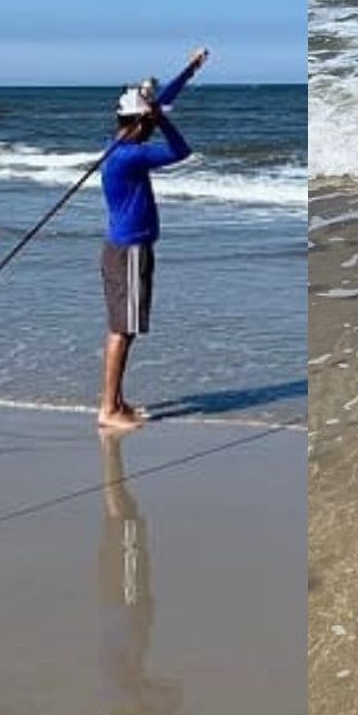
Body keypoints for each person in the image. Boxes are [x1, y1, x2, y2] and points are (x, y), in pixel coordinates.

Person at [97, 48, 209, 429]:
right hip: (127, 251)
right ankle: (108, 409)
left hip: (129, 248)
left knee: (124, 329)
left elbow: (163, 101)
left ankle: (117, 402)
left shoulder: (123, 146)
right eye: (149, 121)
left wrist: (189, 71)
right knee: (122, 331)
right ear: (140, 123)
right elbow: (182, 151)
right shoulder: (129, 157)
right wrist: (162, 121)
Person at [96, 425, 182, 715]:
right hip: (123, 599)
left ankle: (110, 450)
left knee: (125, 520)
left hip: (125, 600)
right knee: (125, 520)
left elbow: (169, 692)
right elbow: (170, 691)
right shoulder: (120, 685)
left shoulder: (123, 685)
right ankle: (110, 450)